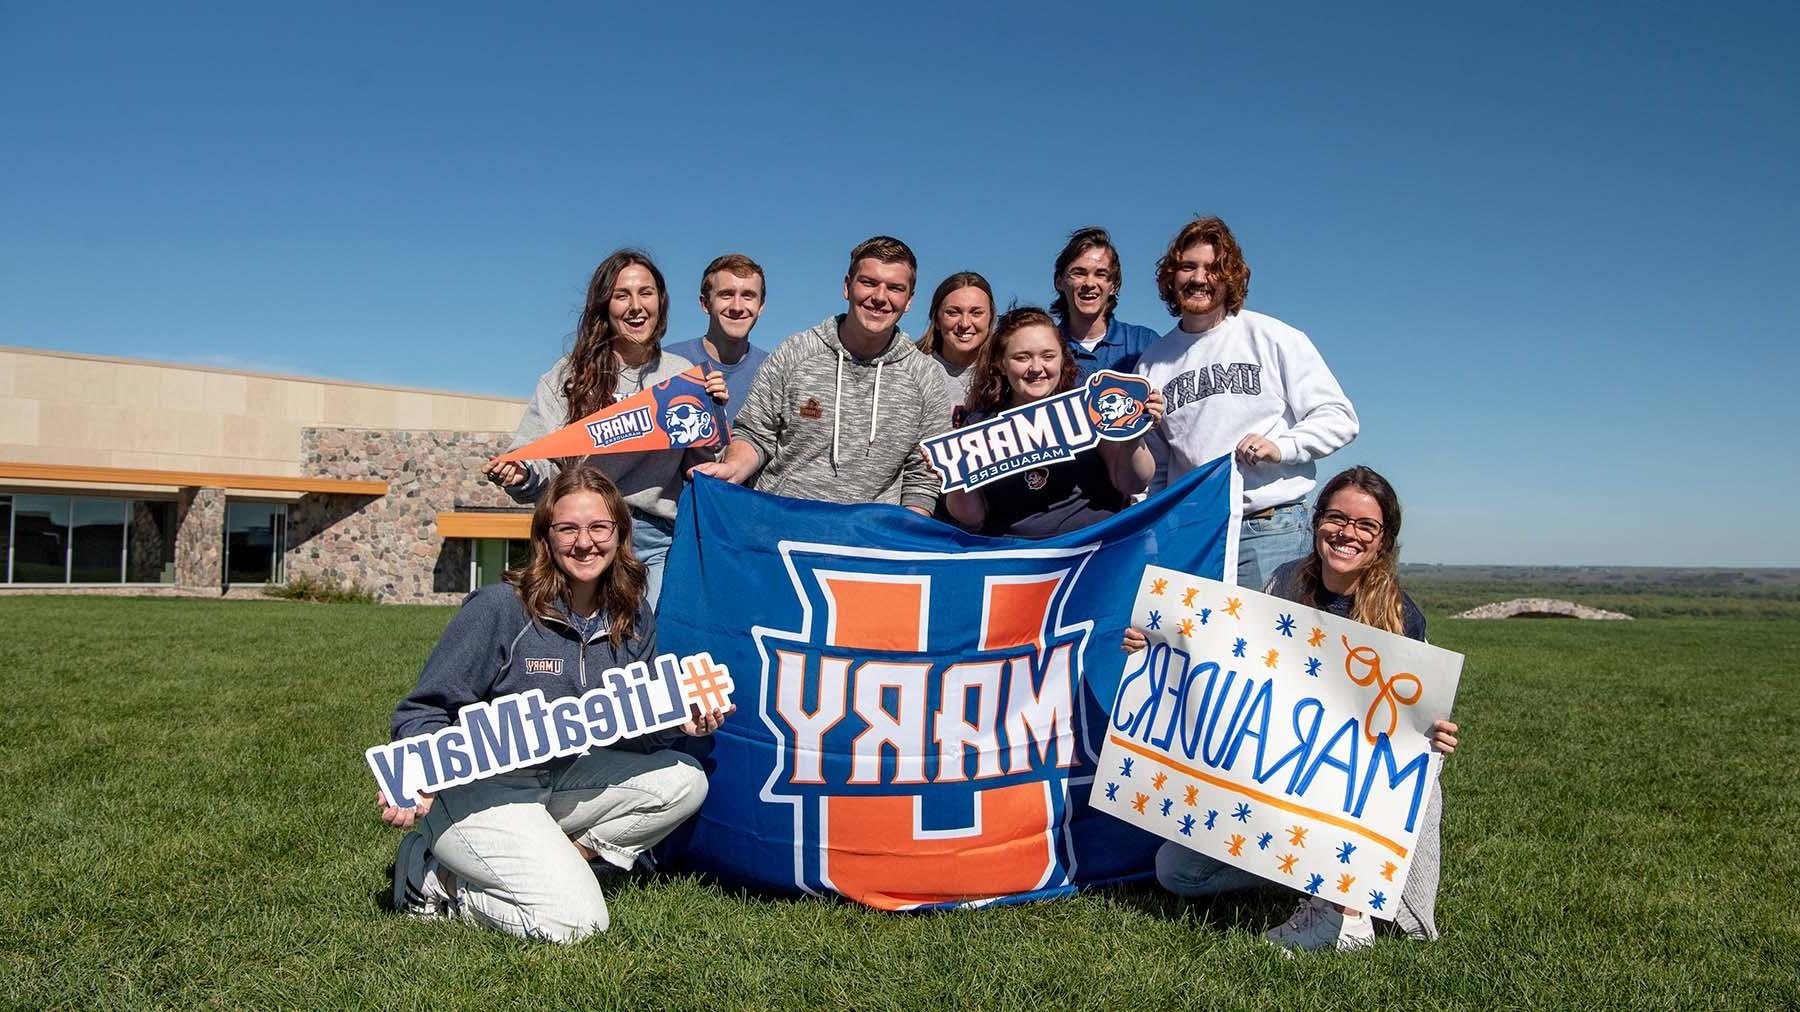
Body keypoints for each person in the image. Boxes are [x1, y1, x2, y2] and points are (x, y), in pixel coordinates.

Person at [379, 466, 729, 943]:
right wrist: (414, 772)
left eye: (599, 527)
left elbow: (631, 730)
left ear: (620, 534)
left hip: (559, 780)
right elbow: (423, 711)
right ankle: (435, 878)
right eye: (568, 528)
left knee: (684, 779)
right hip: (480, 793)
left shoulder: (633, 614)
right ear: (546, 536)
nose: (585, 543)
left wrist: (678, 724)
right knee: (577, 924)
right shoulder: (500, 608)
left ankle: (572, 857)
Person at [1125, 466, 1460, 952]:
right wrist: (1155, 644)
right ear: (1316, 520)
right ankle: (1298, 877)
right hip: (1270, 794)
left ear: (1384, 539)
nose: (1348, 533)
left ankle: (1346, 908)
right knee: (1177, 872)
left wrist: (1433, 737)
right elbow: (1222, 650)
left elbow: (1408, 730)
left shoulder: (1403, 617)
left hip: (1341, 806)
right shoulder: (1282, 584)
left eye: (1366, 525)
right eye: (1336, 518)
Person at [484, 249, 728, 607]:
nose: (635, 306)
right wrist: (520, 474)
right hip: (584, 537)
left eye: (646, 293)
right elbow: (536, 457)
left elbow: (703, 467)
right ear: (604, 306)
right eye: (621, 295)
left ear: (661, 302)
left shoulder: (682, 374)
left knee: (646, 649)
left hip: (655, 539)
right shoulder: (567, 376)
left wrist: (712, 416)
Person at [1137, 216, 1359, 590]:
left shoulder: (1271, 337)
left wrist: (1283, 447)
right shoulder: (1154, 362)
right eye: (1188, 266)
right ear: (1171, 277)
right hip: (1193, 533)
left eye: (1212, 268)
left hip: (1271, 528)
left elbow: (1339, 418)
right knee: (1196, 647)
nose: (1199, 278)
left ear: (1231, 276)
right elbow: (1157, 469)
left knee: (1271, 648)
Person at [690, 235, 952, 514]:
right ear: (847, 286)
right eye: (869, 283)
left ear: (909, 300)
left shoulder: (925, 377)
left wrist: (900, 539)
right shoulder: (796, 351)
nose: (879, 297)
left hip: (868, 542)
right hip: (778, 525)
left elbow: (921, 479)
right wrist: (732, 467)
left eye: (895, 288)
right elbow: (755, 434)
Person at [944, 306, 1162, 538]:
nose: (1037, 368)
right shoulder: (980, 425)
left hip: (1093, 551)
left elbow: (1133, 485)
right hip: (1015, 559)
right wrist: (955, 476)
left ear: (1062, 359)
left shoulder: (1090, 407)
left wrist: (1132, 437)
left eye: (1048, 356)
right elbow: (973, 517)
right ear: (1001, 363)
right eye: (1022, 357)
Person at [664, 253, 770, 425]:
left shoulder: (773, 371)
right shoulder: (669, 364)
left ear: (761, 306)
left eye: (748, 295)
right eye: (726, 295)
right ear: (705, 304)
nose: (737, 307)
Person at [1050, 226, 1162, 378]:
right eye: (1079, 273)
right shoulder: (1047, 348)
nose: (1089, 283)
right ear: (1059, 282)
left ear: (1114, 286)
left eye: (1100, 274)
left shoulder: (1144, 342)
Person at [915, 271, 994, 422]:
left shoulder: (1006, 374)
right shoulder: (913, 370)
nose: (965, 323)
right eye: (953, 313)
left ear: (990, 319)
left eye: (976, 313)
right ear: (936, 320)